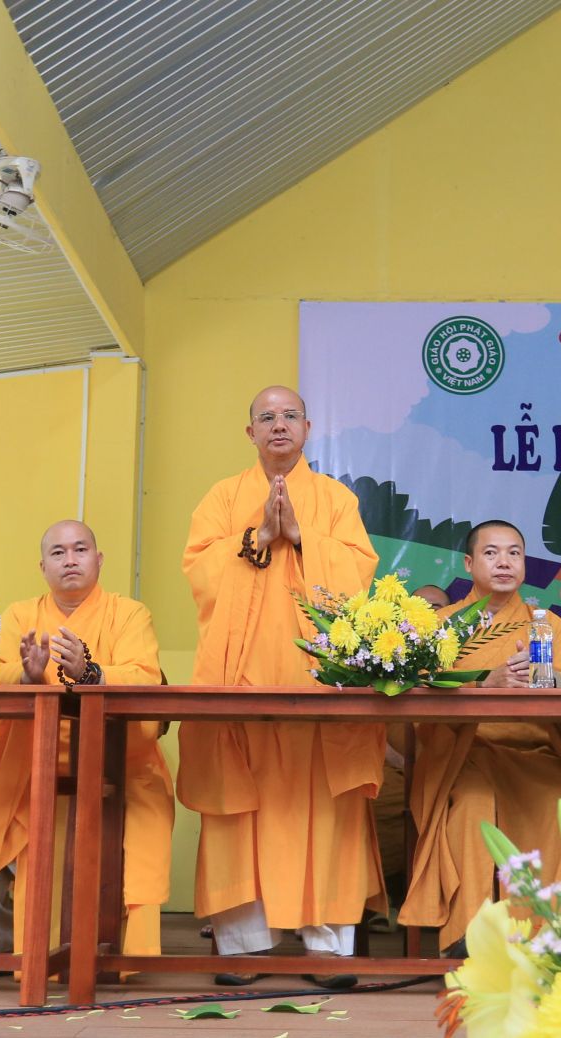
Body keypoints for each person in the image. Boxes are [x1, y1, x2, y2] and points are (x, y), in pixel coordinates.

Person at [180, 386, 384, 987]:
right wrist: (257, 537)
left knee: (325, 808)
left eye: (290, 415)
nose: (279, 425)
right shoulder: (223, 497)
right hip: (240, 680)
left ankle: (328, 947)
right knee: (239, 809)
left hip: (318, 683)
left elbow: (359, 575)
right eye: (266, 417)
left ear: (308, 428)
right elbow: (198, 571)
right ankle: (244, 947)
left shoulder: (337, 500)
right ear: (250, 432)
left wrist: (301, 535)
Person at [0, 520, 172, 972]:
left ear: (99, 559)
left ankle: (96, 947)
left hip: (114, 758)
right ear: (42, 566)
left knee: (137, 820)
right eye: (58, 552)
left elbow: (146, 679)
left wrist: (91, 673)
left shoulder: (130, 614)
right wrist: (28, 676)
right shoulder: (18, 615)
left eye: (80, 549)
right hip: (24, 754)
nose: (70, 560)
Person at [400, 520, 561, 952]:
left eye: (514, 553)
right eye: (491, 553)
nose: (504, 562)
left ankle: (558, 936)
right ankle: (470, 936)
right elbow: (416, 687)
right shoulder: (441, 625)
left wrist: (551, 679)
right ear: (469, 564)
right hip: (464, 753)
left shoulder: (546, 625)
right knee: (473, 804)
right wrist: (481, 685)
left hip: (533, 751)